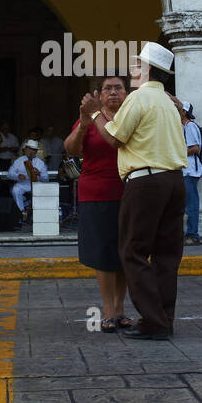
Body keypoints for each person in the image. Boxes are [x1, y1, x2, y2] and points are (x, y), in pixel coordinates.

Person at [82, 41, 186, 341]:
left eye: (137, 64)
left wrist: (94, 114)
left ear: (148, 70)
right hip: (174, 180)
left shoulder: (139, 98)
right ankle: (164, 319)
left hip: (146, 182)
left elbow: (115, 138)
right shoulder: (169, 101)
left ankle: (154, 321)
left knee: (133, 251)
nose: (132, 69)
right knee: (167, 256)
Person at [66, 76, 131, 333]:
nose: (113, 93)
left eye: (118, 88)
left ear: (127, 93)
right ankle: (109, 311)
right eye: (107, 89)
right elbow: (71, 149)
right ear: (98, 95)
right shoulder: (91, 119)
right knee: (103, 254)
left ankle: (121, 307)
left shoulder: (131, 116)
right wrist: (83, 125)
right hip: (95, 192)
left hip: (128, 191)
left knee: (125, 252)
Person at [180, 101, 202, 245]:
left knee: (191, 204)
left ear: (184, 112)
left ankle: (193, 234)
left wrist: (177, 154)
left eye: (179, 109)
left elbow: (195, 148)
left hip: (189, 171)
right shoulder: (183, 127)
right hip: (184, 171)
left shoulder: (190, 127)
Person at [7, 138, 48, 219]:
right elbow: (9, 174)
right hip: (23, 184)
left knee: (43, 192)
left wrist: (39, 174)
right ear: (25, 149)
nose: (31, 151)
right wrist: (18, 176)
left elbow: (46, 179)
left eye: (34, 150)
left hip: (37, 185)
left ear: (36, 152)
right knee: (15, 190)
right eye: (29, 149)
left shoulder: (40, 163)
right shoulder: (18, 161)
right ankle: (22, 212)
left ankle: (33, 210)